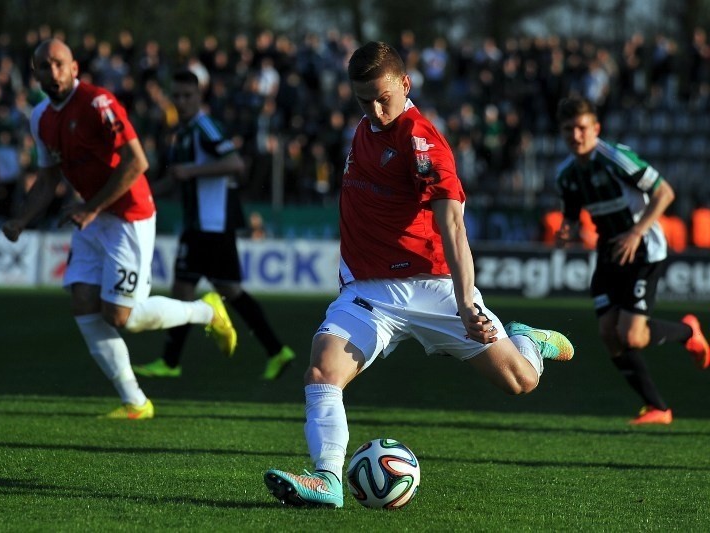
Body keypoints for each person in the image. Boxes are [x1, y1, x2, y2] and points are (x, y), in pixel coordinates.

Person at [262, 41, 574, 509]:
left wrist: (467, 301)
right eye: (362, 98)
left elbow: (452, 223)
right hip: (370, 292)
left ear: (405, 84)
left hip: (435, 288)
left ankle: (527, 339)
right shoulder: (364, 129)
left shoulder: (423, 141)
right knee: (322, 370)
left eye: (382, 97)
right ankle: (326, 479)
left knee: (520, 380)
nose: (374, 108)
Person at [1, 39, 237, 420]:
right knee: (82, 301)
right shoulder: (40, 117)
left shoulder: (98, 103)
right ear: (36, 73)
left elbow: (137, 161)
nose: (54, 72)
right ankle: (136, 402)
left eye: (60, 64)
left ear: (74, 67)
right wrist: (21, 220)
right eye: (45, 66)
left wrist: (91, 207)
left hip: (129, 215)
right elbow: (47, 180)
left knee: (122, 317)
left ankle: (205, 312)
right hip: (91, 216)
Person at [554, 96, 709, 425]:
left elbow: (665, 192)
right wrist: (567, 232)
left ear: (596, 128)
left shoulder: (615, 158)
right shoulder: (566, 174)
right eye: (569, 129)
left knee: (633, 336)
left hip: (643, 249)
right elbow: (571, 216)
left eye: (582, 128)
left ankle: (687, 331)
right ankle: (657, 408)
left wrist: (637, 232)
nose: (576, 136)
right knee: (609, 334)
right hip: (610, 252)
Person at [133, 70, 295, 381]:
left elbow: (235, 163)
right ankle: (276, 350)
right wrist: (144, 193)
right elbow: (177, 176)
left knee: (188, 291)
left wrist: (191, 171)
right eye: (176, 96)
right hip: (201, 225)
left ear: (199, 97)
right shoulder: (182, 132)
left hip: (210, 224)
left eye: (187, 96)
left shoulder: (204, 127)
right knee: (225, 290)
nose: (181, 102)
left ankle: (170, 362)